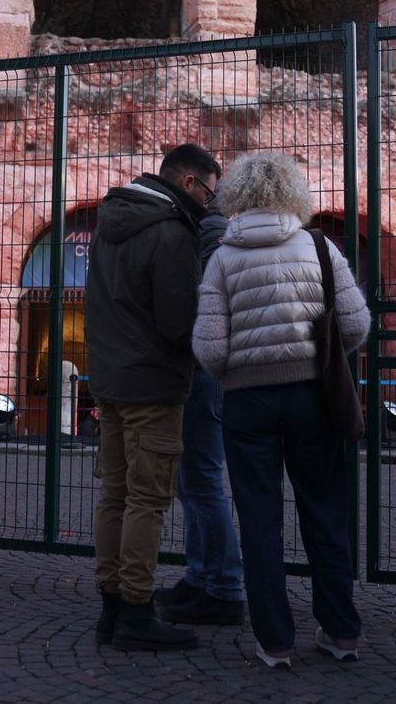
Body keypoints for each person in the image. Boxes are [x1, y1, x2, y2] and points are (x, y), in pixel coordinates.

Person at [192, 152, 370, 669]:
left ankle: (275, 642)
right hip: (314, 396)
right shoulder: (320, 247)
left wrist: (241, 365)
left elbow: (209, 350)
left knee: (259, 518)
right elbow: (356, 327)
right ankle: (341, 632)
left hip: (248, 403)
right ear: (295, 193)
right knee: (326, 512)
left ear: (236, 199)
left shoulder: (223, 257)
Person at [87, 143, 221, 651]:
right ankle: (137, 610)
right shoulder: (171, 231)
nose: (211, 202)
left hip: (112, 380)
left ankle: (111, 606)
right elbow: (176, 323)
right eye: (209, 189)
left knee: (115, 494)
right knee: (148, 498)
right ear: (188, 182)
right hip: (154, 384)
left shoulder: (111, 221)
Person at [156, 201, 246, 627]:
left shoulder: (209, 228)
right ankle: (201, 574)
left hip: (203, 369)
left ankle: (224, 585)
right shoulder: (213, 229)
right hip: (204, 367)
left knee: (202, 480)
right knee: (191, 480)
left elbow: (207, 296)